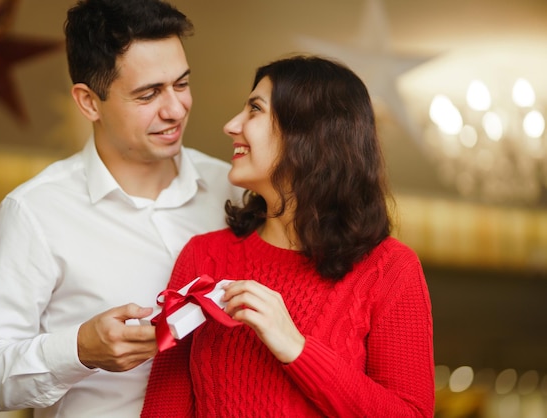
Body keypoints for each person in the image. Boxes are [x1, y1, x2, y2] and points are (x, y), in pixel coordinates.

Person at [0, 0, 242, 417]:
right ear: (89, 102)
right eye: (148, 94)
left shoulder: (233, 192)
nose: (175, 109)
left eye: (181, 84)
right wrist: (79, 349)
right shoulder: (36, 211)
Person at [141, 55, 435, 417]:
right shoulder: (204, 258)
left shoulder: (390, 269)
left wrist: (297, 348)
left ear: (310, 134)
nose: (231, 125)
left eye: (254, 110)